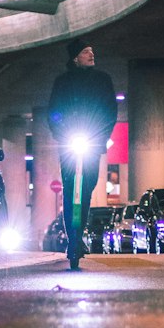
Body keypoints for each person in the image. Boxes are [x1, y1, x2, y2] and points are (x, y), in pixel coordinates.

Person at [47, 39, 118, 270]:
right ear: (75, 57)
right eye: (86, 51)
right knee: (70, 190)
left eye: (92, 50)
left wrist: (102, 135)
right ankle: (73, 240)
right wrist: (61, 134)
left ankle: (80, 233)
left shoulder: (102, 80)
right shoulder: (63, 82)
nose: (91, 54)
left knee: (87, 188)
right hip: (69, 143)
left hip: (93, 142)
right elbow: (54, 112)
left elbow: (110, 110)